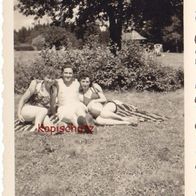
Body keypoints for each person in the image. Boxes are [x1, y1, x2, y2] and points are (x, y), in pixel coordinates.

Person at [51, 64, 94, 133]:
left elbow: (88, 83)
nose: (68, 75)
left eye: (70, 73)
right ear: (62, 74)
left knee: (79, 109)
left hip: (76, 106)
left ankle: (86, 124)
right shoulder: (57, 83)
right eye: (66, 73)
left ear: (73, 74)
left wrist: (95, 86)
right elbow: (47, 81)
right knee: (72, 116)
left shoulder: (76, 82)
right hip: (64, 108)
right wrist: (53, 112)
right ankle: (82, 129)